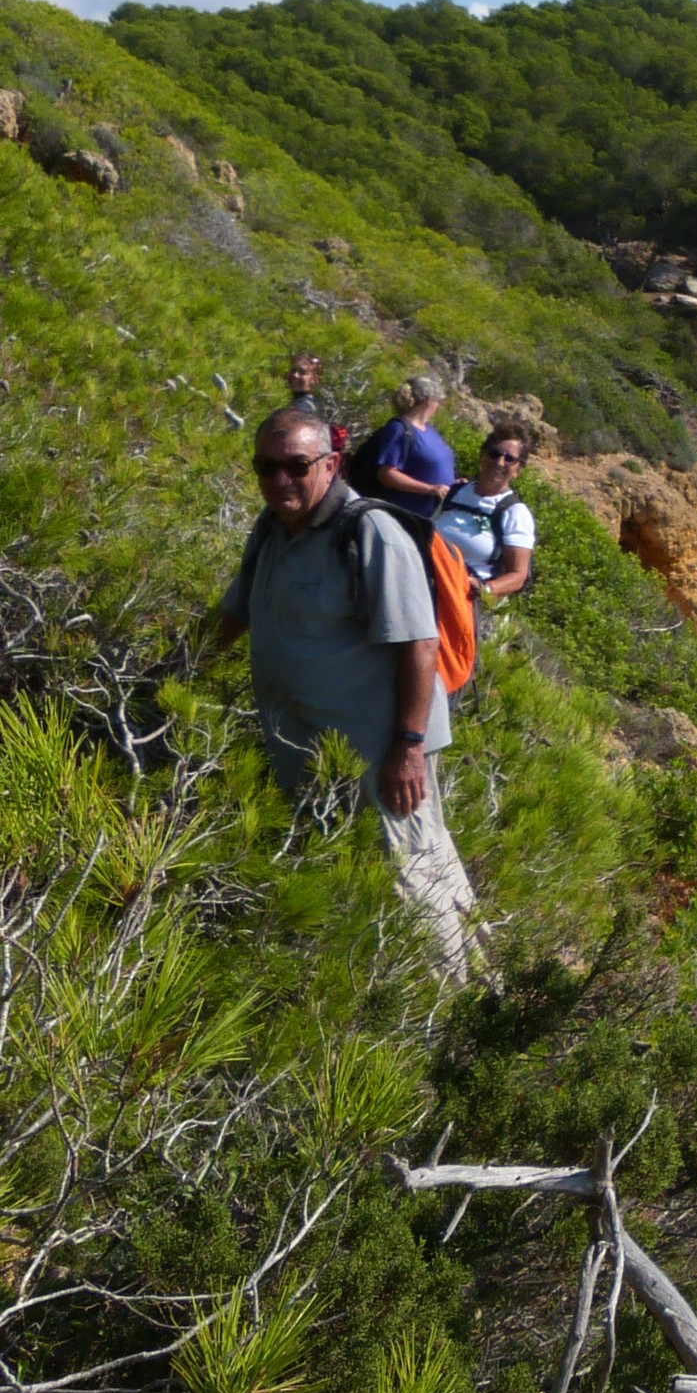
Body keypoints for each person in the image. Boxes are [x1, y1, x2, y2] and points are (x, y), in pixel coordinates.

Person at [215, 411, 479, 978]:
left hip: (382, 754)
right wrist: (174, 671)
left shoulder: (370, 532)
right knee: (348, 875)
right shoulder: (272, 528)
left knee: (412, 878)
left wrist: (407, 746)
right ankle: (367, 986)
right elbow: (234, 613)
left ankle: (455, 1002)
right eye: (266, 467)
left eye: (297, 466)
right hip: (310, 750)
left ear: (331, 464)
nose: (280, 480)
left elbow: (419, 645)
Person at [435, 424, 538, 601]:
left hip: (466, 599)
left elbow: (518, 576)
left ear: (518, 469)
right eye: (494, 453)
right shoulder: (455, 492)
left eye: (509, 459)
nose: (499, 462)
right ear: (482, 455)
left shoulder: (515, 513)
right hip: (429, 580)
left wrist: (484, 589)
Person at [359, 374, 457, 519]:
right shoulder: (398, 429)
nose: (438, 406)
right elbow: (387, 474)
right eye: (438, 401)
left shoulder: (430, 431)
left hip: (430, 517)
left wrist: (454, 485)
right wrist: (430, 489)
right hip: (402, 516)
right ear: (428, 401)